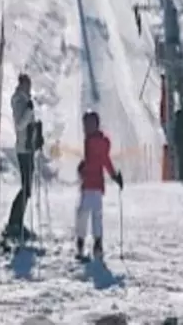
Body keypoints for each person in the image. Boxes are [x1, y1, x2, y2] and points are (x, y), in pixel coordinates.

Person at [75, 110, 123, 262]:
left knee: (84, 214)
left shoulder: (94, 141)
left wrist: (84, 168)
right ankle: (96, 245)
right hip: (93, 184)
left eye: (88, 125)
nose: (86, 128)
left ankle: (86, 244)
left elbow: (100, 160)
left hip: (91, 184)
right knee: (94, 215)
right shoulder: (93, 140)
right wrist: (114, 175)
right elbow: (103, 160)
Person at [3, 74, 37, 240]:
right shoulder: (20, 101)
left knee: (27, 188)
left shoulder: (24, 100)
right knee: (26, 187)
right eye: (27, 85)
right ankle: (14, 222)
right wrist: (30, 111)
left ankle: (17, 221)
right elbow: (20, 124)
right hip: (24, 148)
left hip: (28, 147)